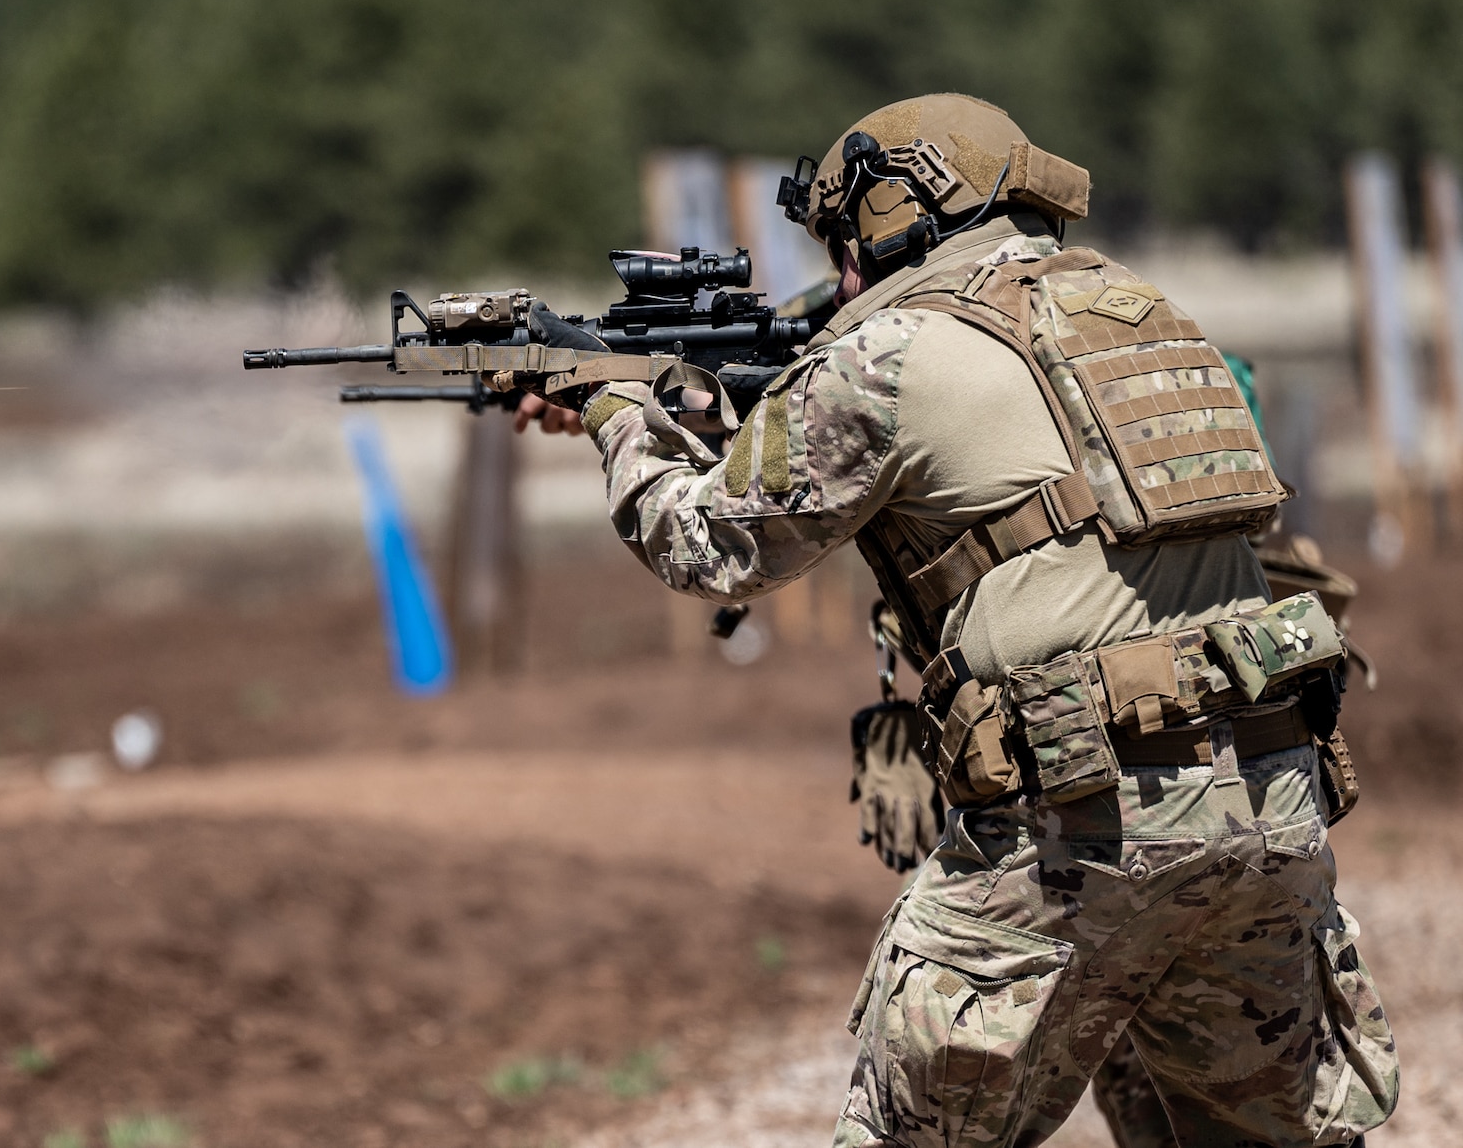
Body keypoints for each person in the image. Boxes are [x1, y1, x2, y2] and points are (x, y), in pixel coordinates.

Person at [514, 94, 1397, 1146]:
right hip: (1269, 797)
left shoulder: (887, 351)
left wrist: (614, 412)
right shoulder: (1144, 312)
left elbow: (707, 547)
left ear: (893, 214)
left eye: (840, 244)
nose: (837, 276)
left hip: (1080, 821)